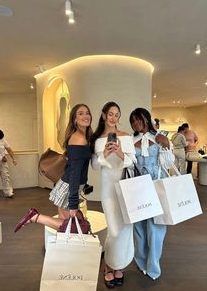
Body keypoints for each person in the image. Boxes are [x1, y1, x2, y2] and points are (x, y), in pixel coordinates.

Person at [90, 101, 136, 288]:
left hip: (126, 187)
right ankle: (108, 266)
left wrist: (121, 154)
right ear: (103, 115)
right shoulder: (97, 139)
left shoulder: (126, 137)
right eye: (110, 114)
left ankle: (119, 267)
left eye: (117, 114)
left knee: (125, 228)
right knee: (114, 230)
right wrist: (105, 156)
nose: (113, 117)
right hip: (108, 188)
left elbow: (133, 162)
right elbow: (94, 165)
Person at [129, 108, 169, 281]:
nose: (137, 124)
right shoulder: (131, 140)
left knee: (156, 228)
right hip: (138, 187)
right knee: (138, 227)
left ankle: (153, 266)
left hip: (155, 186)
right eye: (133, 121)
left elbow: (168, 163)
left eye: (139, 119)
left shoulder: (159, 137)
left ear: (147, 118)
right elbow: (130, 166)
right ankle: (141, 261)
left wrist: (166, 145)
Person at [49, 104, 93, 219]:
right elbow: (74, 172)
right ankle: (36, 217)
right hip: (70, 187)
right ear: (75, 119)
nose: (85, 116)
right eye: (80, 113)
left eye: (87, 113)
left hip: (71, 185)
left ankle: (36, 217)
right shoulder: (79, 139)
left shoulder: (84, 137)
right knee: (67, 226)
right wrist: (73, 203)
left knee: (66, 227)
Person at [0, 128, 17, 198]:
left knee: (5, 177)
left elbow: (9, 150)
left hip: (3, 161)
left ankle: (8, 192)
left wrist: (14, 159)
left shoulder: (3, 140)